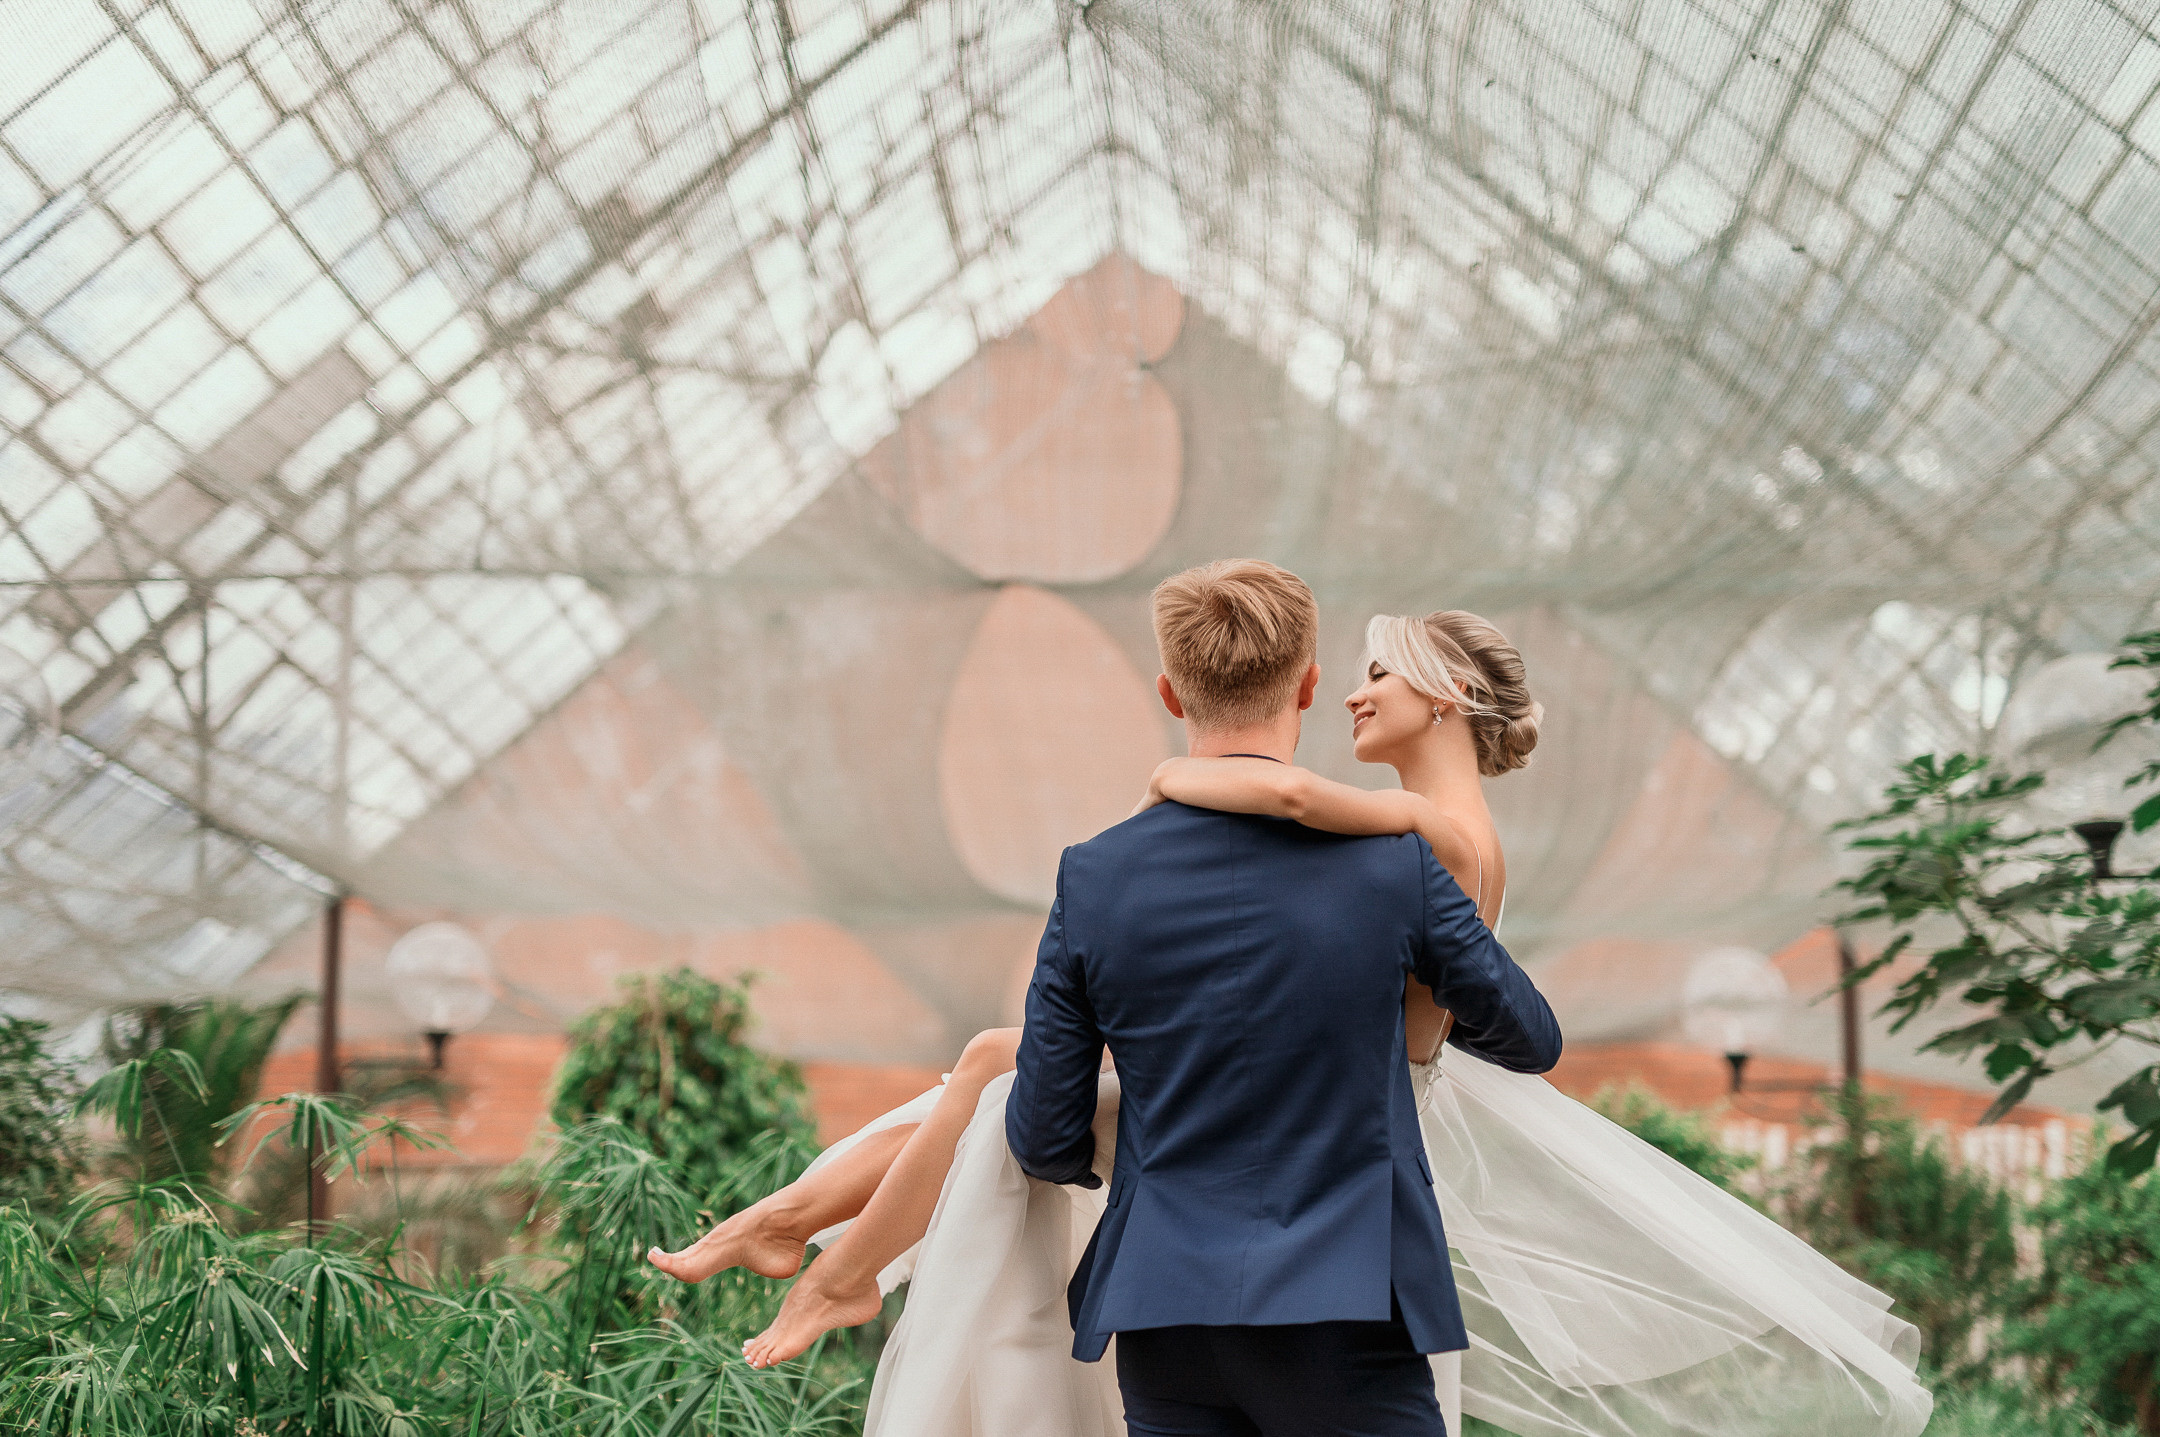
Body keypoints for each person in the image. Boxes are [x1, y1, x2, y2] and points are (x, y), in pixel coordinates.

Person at [652, 587, 1935, 1437]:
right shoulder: (1401, 861)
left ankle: (823, 1257)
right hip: (1342, 1271)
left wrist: (1182, 786)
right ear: (1310, 684)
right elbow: (1529, 1040)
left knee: (990, 1082)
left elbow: (1046, 1135)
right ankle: (822, 1256)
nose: (1365, 692)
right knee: (980, 1075)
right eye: (1356, 674)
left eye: (1389, 677)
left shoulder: (1123, 868)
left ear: (1170, 694)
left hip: (1164, 1301)